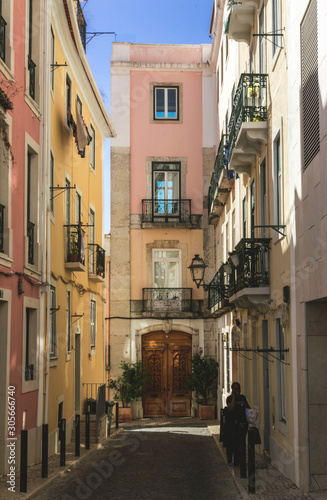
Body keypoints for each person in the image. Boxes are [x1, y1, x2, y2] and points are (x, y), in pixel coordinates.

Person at [226, 382, 250, 466]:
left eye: (238, 389)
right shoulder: (229, 398)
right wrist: (233, 397)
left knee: (241, 442)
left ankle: (240, 460)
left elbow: (247, 407)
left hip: (242, 423)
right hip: (233, 424)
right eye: (235, 389)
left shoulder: (243, 397)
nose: (237, 391)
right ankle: (232, 460)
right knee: (233, 443)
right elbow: (231, 407)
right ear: (232, 390)